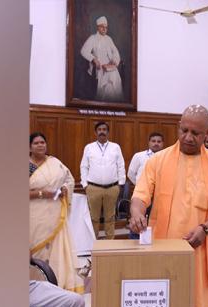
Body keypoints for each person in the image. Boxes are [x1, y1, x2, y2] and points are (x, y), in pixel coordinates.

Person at [130, 105, 208, 307]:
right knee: (165, 302)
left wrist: (205, 229)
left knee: (202, 305)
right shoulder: (157, 161)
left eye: (195, 133)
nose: (188, 137)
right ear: (178, 127)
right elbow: (140, 196)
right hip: (164, 245)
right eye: (184, 130)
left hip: (202, 247)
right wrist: (137, 213)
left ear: (207, 134)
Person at [29, 132, 84, 292]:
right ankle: (34, 282)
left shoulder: (55, 163)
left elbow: (69, 180)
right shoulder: (28, 165)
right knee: (35, 247)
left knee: (54, 250)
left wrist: (64, 190)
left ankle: (56, 281)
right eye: (36, 143)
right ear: (30, 147)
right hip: (33, 215)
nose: (40, 145)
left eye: (43, 142)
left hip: (54, 214)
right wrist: (42, 194)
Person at [80, 121, 126, 239]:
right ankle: (92, 241)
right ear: (96, 132)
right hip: (93, 188)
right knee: (93, 217)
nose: (102, 131)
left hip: (112, 188)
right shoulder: (89, 147)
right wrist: (85, 184)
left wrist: (120, 184)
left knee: (110, 217)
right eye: (99, 129)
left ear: (108, 132)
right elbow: (84, 166)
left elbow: (120, 165)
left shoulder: (115, 147)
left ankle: (109, 242)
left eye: (104, 129)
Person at [80, 15, 123, 102]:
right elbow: (83, 51)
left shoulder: (109, 39)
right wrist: (94, 59)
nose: (104, 29)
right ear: (98, 27)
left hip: (109, 66)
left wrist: (114, 60)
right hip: (99, 66)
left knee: (114, 75)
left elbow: (115, 52)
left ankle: (114, 102)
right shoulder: (93, 38)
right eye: (102, 27)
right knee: (107, 78)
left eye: (106, 27)